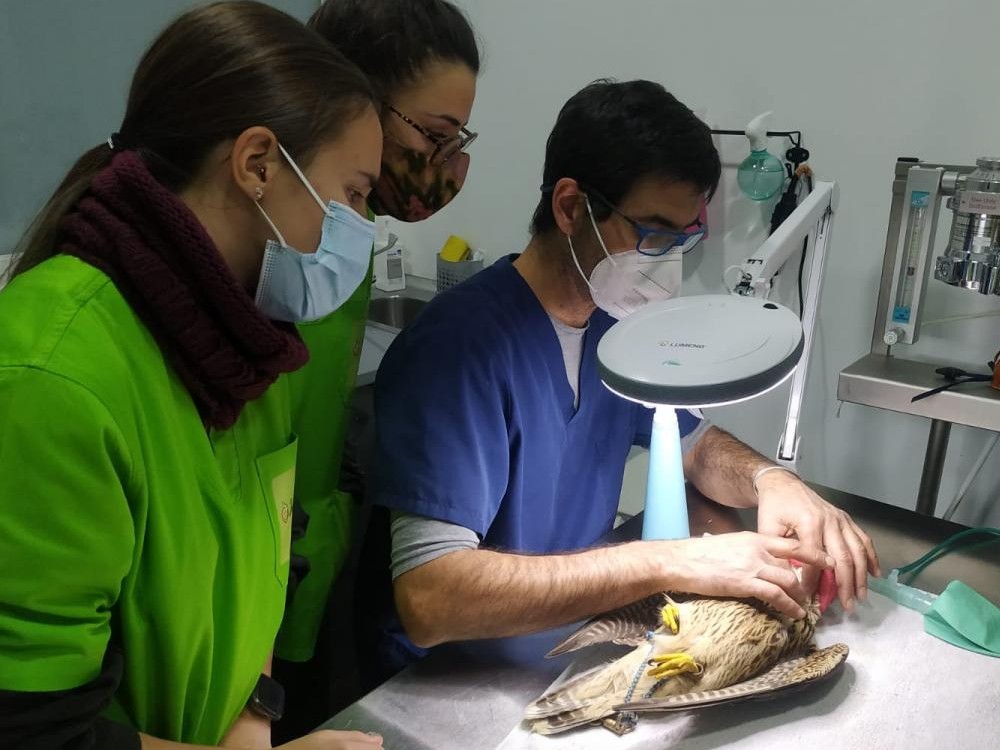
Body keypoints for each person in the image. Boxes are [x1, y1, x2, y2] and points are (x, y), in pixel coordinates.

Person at [365, 79, 881, 681]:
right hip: (450, 683)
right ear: (570, 207)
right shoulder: (457, 350)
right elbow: (431, 599)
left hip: (566, 646)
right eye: (652, 233)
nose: (665, 260)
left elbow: (694, 446)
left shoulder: (616, 330)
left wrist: (772, 481)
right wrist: (672, 561)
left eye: (683, 239)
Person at [0, 2, 384, 748]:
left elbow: (270, 559)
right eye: (355, 195)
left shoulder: (249, 346)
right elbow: (35, 732)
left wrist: (254, 714)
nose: (362, 228)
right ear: (258, 164)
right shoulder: (50, 381)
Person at [272, 0, 479, 734]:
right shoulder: (279, 253)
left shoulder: (346, 237)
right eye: (435, 136)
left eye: (459, 140)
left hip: (299, 553)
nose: (449, 165)